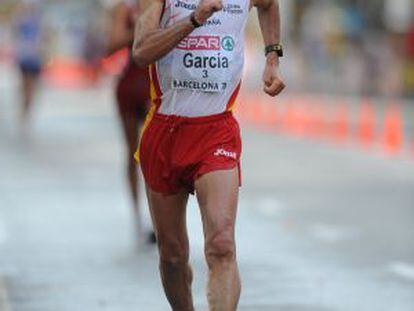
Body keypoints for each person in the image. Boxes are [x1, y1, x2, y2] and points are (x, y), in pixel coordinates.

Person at [133, 0, 285, 309]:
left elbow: (269, 5)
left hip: (216, 129)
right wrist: (194, 19)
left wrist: (273, 56)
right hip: (165, 132)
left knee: (222, 245)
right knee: (172, 255)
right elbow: (141, 51)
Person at [106, 0, 155, 244]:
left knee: (153, 154)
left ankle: (157, 218)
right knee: (133, 153)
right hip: (130, 86)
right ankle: (138, 217)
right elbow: (111, 44)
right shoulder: (126, 7)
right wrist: (139, 29)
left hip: (155, 86)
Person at [13, 0, 44, 127]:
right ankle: (25, 109)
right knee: (25, 85)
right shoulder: (22, 21)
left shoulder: (39, 21)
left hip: (35, 59)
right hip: (25, 58)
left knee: (31, 87)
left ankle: (27, 109)